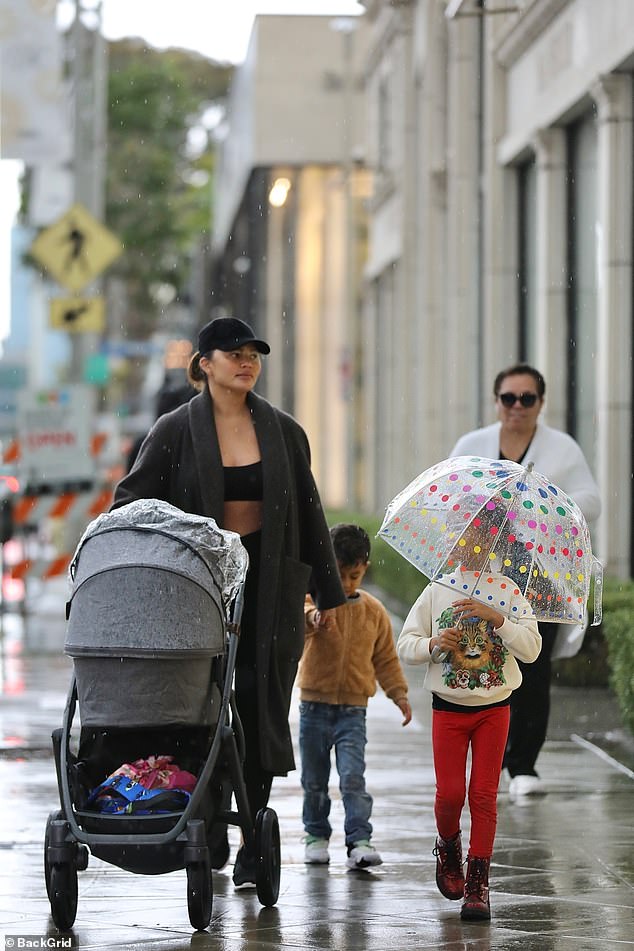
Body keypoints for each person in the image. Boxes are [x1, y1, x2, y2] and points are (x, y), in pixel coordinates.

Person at [112, 316, 345, 887]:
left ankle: (250, 838)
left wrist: (329, 594)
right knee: (201, 703)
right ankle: (207, 822)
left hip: (268, 587)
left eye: (253, 354)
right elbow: (130, 501)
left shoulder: (285, 431)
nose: (246, 361)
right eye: (233, 352)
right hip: (196, 588)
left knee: (261, 706)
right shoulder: (173, 430)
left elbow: (310, 514)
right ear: (204, 363)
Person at [449, 363, 601, 799]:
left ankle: (523, 765)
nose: (517, 407)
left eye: (527, 399)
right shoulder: (472, 444)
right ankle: (487, 760)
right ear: (496, 402)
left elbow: (591, 502)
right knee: (480, 661)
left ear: (540, 403)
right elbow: (455, 495)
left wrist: (544, 502)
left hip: (543, 576)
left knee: (532, 665)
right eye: (509, 398)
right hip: (482, 573)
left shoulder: (562, 449)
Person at [397, 521, 541, 921]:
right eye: (462, 538)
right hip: (448, 709)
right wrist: (430, 644)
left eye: (479, 538)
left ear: (492, 542)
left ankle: (478, 884)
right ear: (450, 543)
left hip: (495, 708)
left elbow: (531, 650)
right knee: (449, 796)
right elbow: (405, 644)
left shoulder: (509, 591)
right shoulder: (437, 589)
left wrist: (498, 619)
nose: (469, 545)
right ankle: (448, 846)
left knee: (483, 795)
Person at [298, 523, 412, 870]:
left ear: (365, 569)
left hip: (353, 710)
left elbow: (385, 660)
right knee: (314, 779)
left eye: (354, 576)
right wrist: (314, 618)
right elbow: (298, 621)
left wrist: (400, 695)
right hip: (313, 706)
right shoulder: (313, 602)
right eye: (338, 575)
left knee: (352, 777)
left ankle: (359, 839)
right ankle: (316, 835)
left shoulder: (373, 611)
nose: (345, 584)